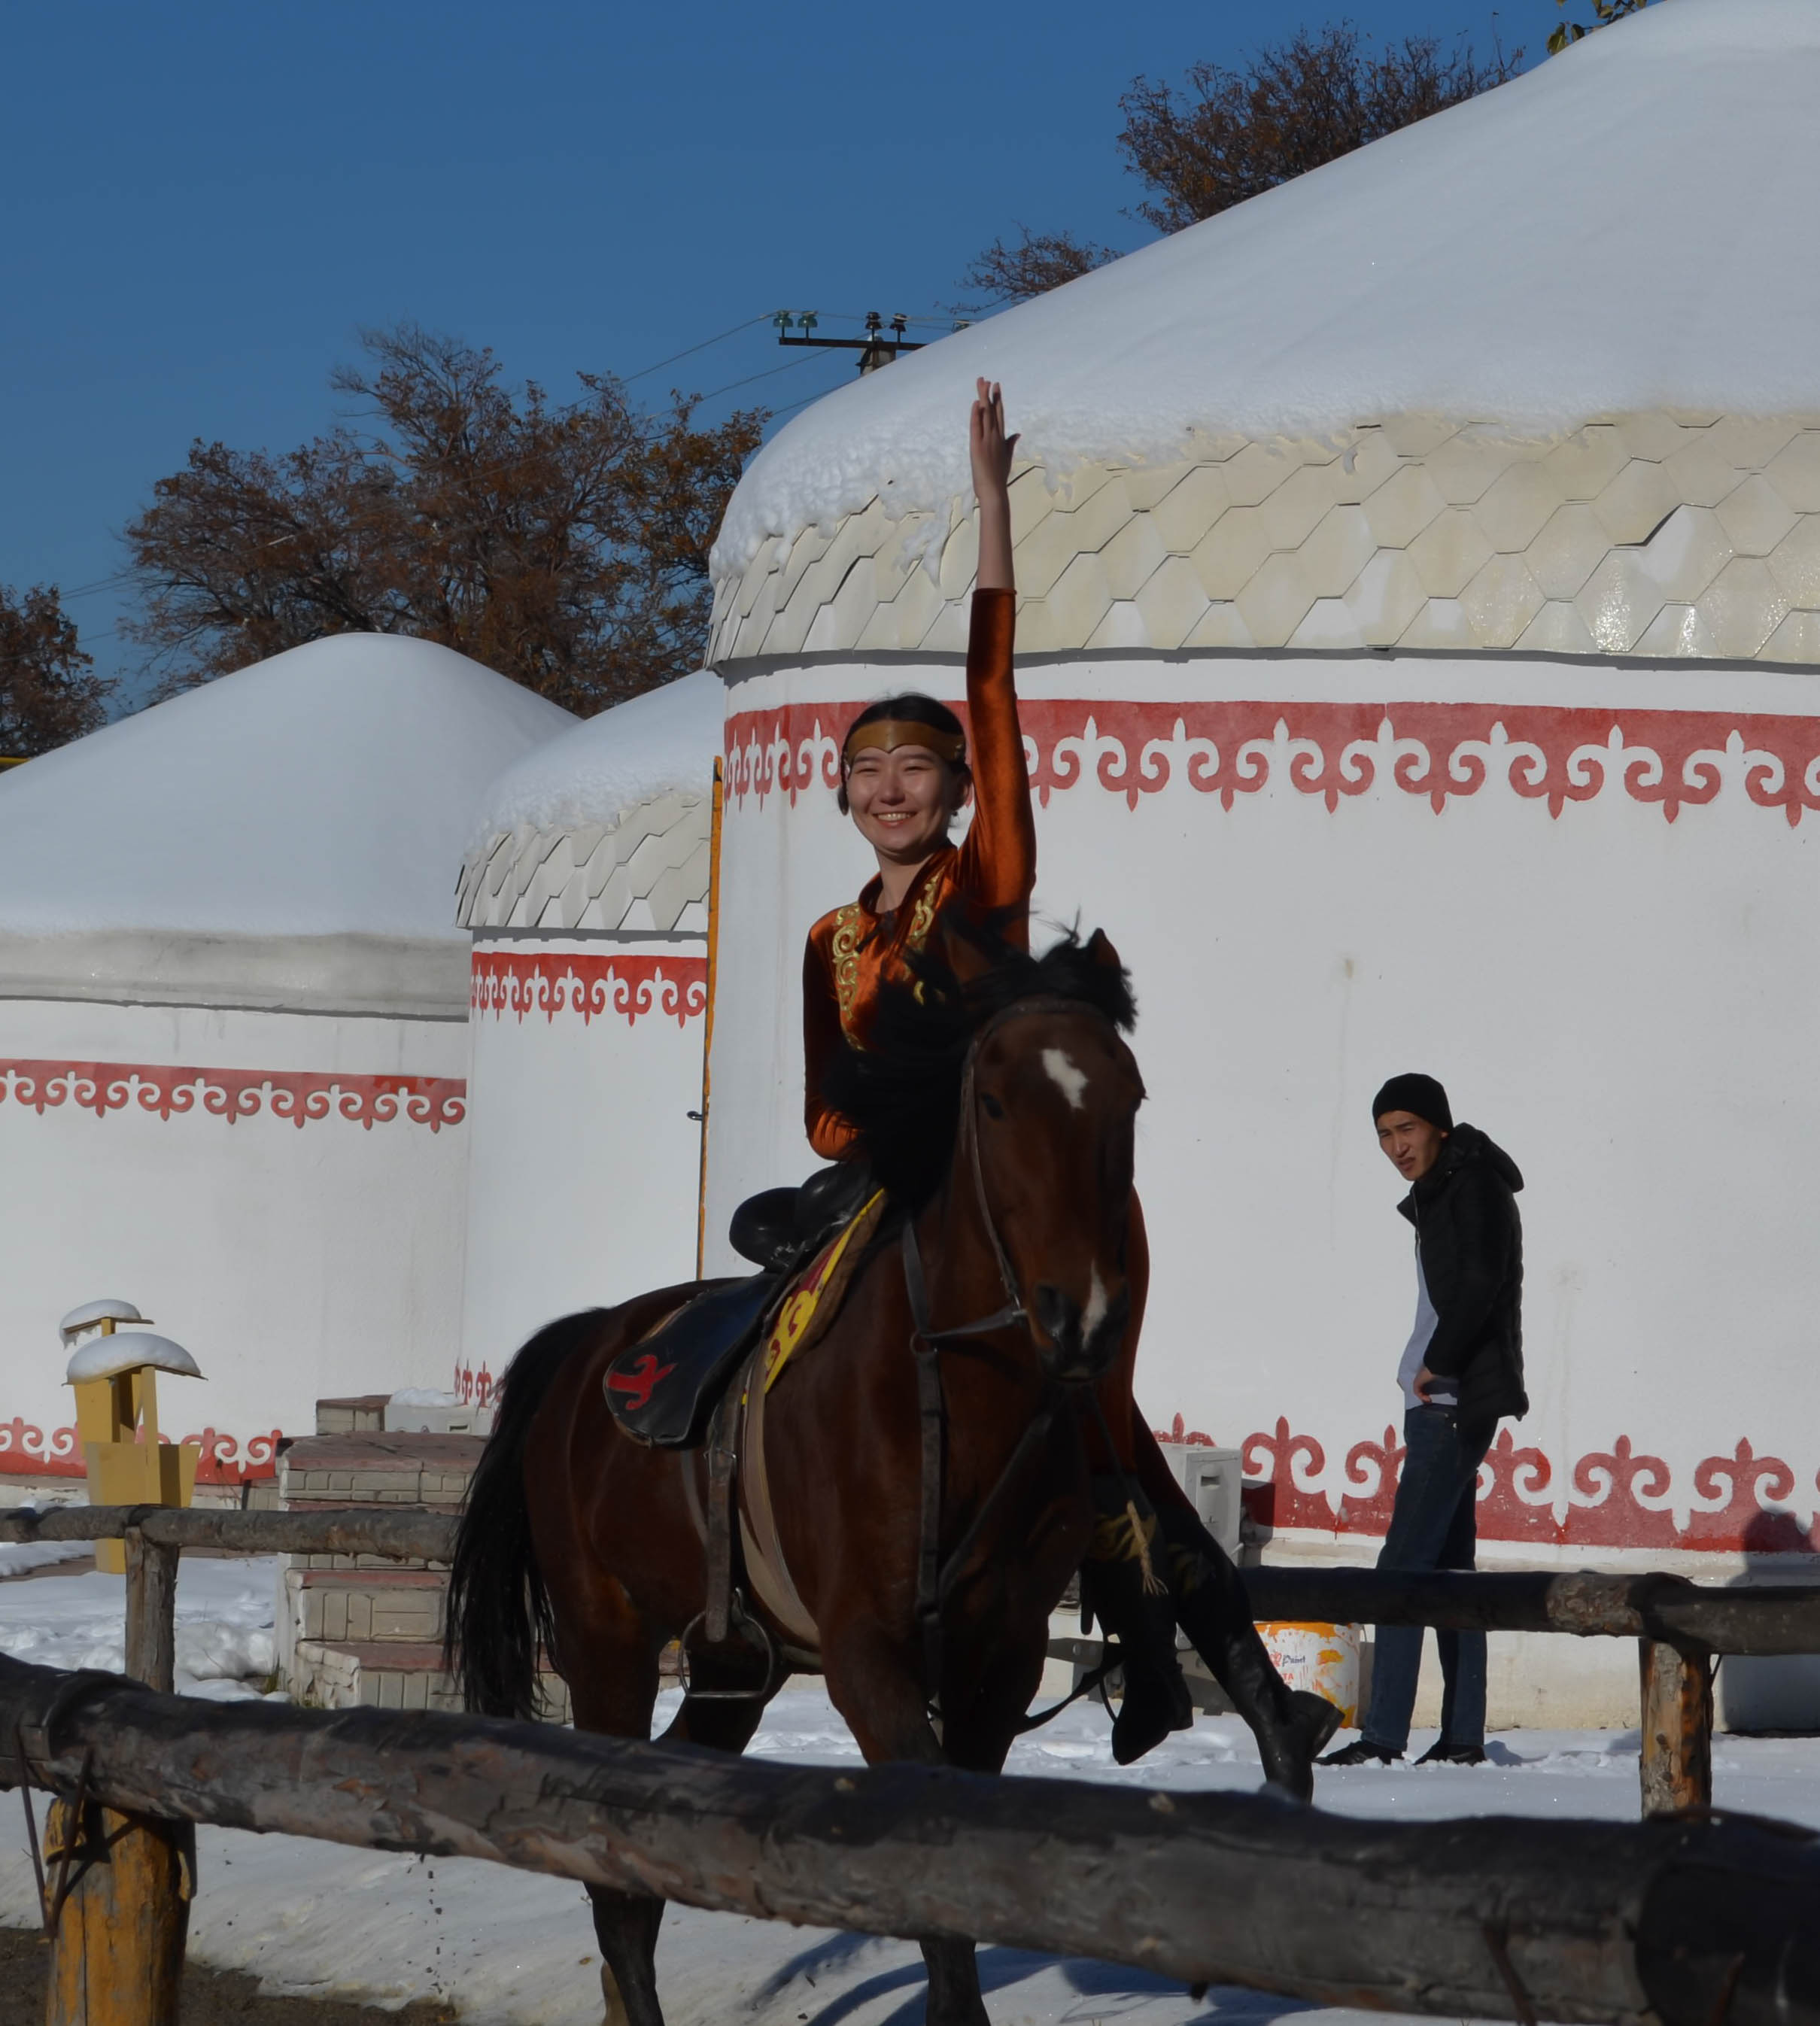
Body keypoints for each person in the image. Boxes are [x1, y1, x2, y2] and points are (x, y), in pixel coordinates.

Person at [788, 378, 1338, 1797]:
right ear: (839, 794)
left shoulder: (984, 885)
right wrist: (880, 1131)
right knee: (774, 1322)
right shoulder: (827, 937)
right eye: (868, 770)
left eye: (918, 769)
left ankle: (1234, 1682)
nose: (893, 789)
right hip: (895, 1186)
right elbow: (824, 1110)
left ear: (958, 790)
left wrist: (990, 513)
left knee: (1100, 1425)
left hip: (1029, 1191)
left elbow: (993, 694)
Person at [1320, 1073, 1527, 1768]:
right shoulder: (1446, 1187)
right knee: (1451, 1573)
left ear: (1439, 1125)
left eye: (1406, 1129)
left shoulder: (1472, 1186)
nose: (1395, 1146)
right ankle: (1462, 1737)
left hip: (1448, 1403)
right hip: (1440, 1401)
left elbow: (1481, 1282)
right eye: (1383, 1134)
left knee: (1400, 1567)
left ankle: (1382, 1735)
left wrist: (1438, 1362)